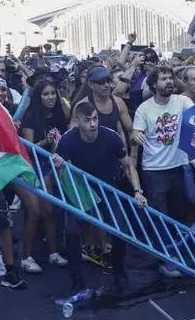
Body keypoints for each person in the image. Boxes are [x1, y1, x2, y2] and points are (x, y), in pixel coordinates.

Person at [52, 101, 147, 293]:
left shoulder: (110, 137)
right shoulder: (67, 140)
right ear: (78, 121)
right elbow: (60, 175)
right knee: (71, 232)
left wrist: (138, 191)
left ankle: (119, 272)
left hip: (107, 188)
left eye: (95, 118)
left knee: (121, 230)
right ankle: (77, 279)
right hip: (81, 189)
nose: (93, 124)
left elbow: (128, 165)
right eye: (87, 120)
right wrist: (59, 166)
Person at [131, 65, 194, 281]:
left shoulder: (182, 101)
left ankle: (173, 252)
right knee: (160, 216)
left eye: (170, 78)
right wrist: (135, 135)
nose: (169, 82)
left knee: (178, 212)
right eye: (163, 79)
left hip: (178, 166)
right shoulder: (144, 109)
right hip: (154, 170)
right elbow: (135, 132)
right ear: (153, 84)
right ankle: (165, 259)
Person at [20, 80, 70, 272]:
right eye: (45, 94)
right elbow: (28, 148)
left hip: (53, 166)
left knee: (50, 211)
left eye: (53, 93)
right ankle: (26, 257)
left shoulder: (59, 115)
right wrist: (46, 141)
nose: (50, 97)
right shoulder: (30, 116)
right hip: (32, 167)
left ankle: (53, 253)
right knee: (35, 212)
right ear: (38, 97)